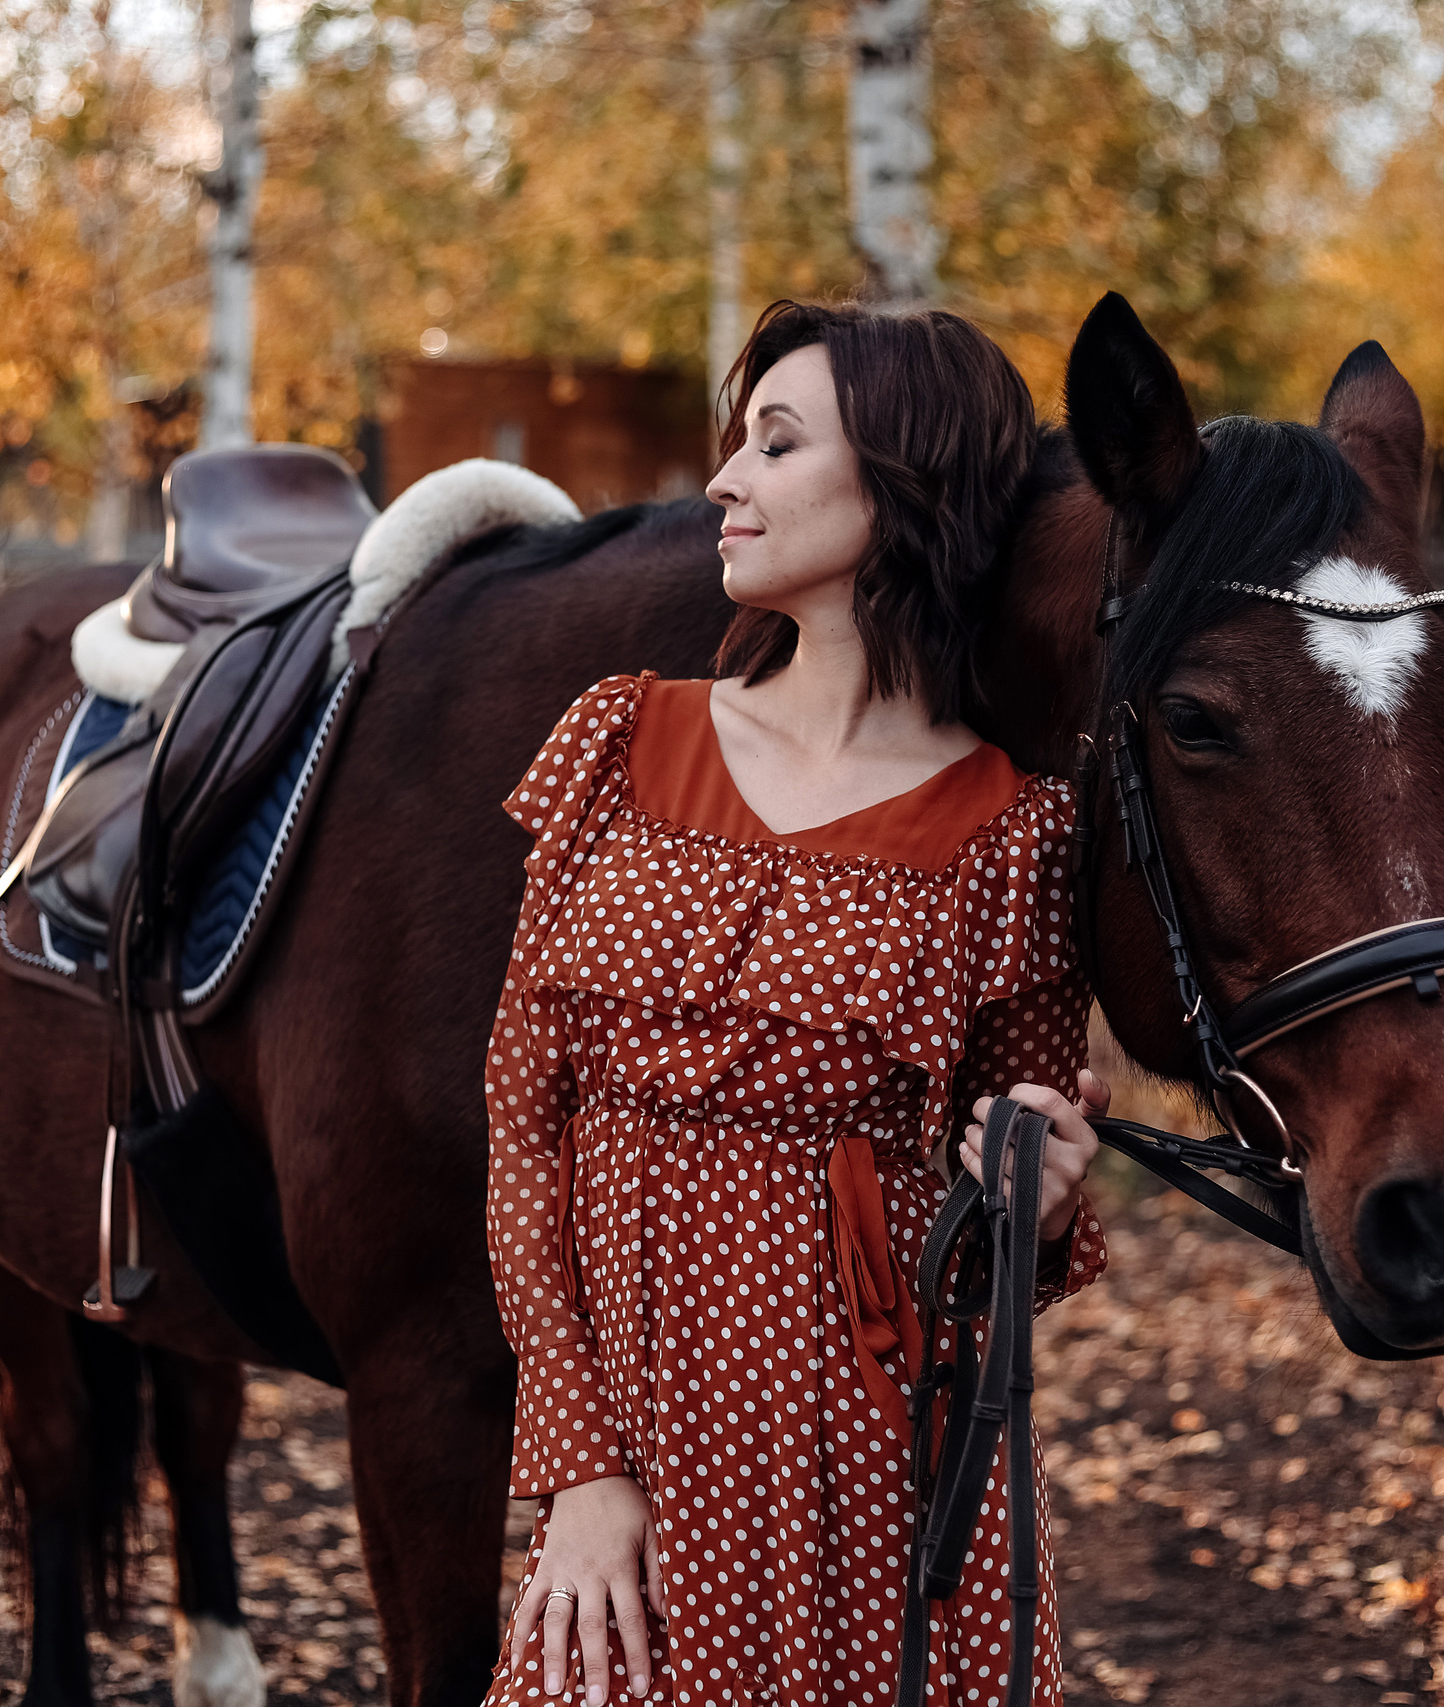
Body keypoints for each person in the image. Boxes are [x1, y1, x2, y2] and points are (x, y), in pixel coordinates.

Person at [483, 300, 1108, 1707]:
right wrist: (579, 1468)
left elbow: (993, 1249)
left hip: (873, 1484)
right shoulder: (620, 740)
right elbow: (523, 1130)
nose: (724, 481)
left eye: (776, 444)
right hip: (633, 1471)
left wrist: (1039, 1204)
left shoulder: (1016, 833)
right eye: (738, 443)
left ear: (904, 482)